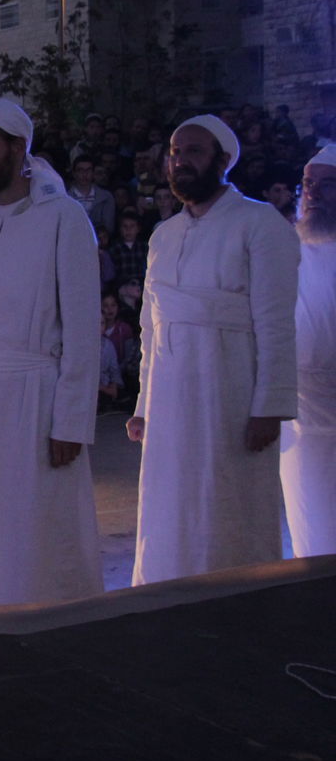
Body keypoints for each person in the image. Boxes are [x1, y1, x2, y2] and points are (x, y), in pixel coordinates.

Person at [128, 115, 299, 585]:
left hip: (231, 392)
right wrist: (144, 404)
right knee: (170, 506)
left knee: (228, 506)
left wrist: (271, 407)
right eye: (175, 153)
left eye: (194, 152)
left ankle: (236, 607)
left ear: (223, 160)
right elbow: (150, 327)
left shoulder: (260, 224)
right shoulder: (164, 234)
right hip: (169, 402)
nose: (180, 162)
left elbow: (277, 323)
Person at [0, 99, 103, 609]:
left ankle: (55, 616)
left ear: (19, 148)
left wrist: (70, 422)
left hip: (38, 397)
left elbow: (84, 328)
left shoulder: (64, 218)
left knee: (41, 518)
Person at [279, 146, 336, 558]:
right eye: (307, 184)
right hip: (300, 415)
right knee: (313, 538)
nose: (312, 194)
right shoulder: (284, 248)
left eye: (325, 185)